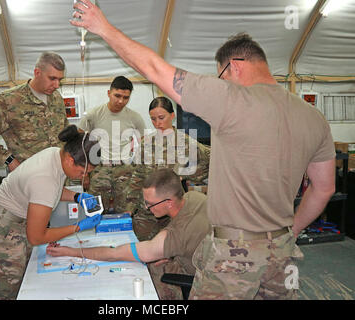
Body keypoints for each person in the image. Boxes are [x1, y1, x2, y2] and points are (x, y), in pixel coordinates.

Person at [70, 2, 336, 300]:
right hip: (283, 254)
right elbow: (323, 189)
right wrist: (291, 231)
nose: (222, 82)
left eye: (221, 76)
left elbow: (157, 69)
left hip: (235, 254)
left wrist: (103, 28)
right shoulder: (313, 118)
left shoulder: (234, 100)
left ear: (234, 66)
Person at [0, 125, 101, 300]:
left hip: (11, 224)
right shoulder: (44, 178)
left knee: (26, 282)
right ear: (70, 159)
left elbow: (50, 191)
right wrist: (77, 227)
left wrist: (77, 197)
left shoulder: (56, 155)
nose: (84, 177)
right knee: (4, 292)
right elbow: (37, 237)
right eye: (83, 171)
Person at [46, 168, 210, 300]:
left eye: (150, 204)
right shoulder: (194, 197)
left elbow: (114, 254)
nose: (146, 208)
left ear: (169, 203)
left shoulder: (174, 237)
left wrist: (71, 251)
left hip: (204, 280)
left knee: (145, 275)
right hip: (211, 260)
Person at [0, 51, 69, 172]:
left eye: (60, 79)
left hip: (58, 174)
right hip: (28, 178)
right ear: (37, 73)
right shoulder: (9, 100)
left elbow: (63, 129)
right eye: (52, 78)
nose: (57, 85)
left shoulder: (56, 97)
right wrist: (8, 160)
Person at [128, 96, 210, 241]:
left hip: (174, 212)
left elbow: (209, 163)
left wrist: (185, 175)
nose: (157, 123)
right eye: (153, 119)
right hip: (147, 214)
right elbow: (138, 175)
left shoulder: (186, 143)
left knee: (174, 252)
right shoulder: (147, 143)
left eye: (161, 117)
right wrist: (129, 206)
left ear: (172, 116)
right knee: (146, 252)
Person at [78, 76, 146, 213]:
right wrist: (84, 174)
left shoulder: (135, 117)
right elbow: (80, 144)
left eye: (126, 97)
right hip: (99, 169)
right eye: (117, 96)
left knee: (126, 211)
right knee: (94, 211)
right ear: (109, 93)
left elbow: (144, 144)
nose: (121, 101)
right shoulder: (93, 115)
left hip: (124, 170)